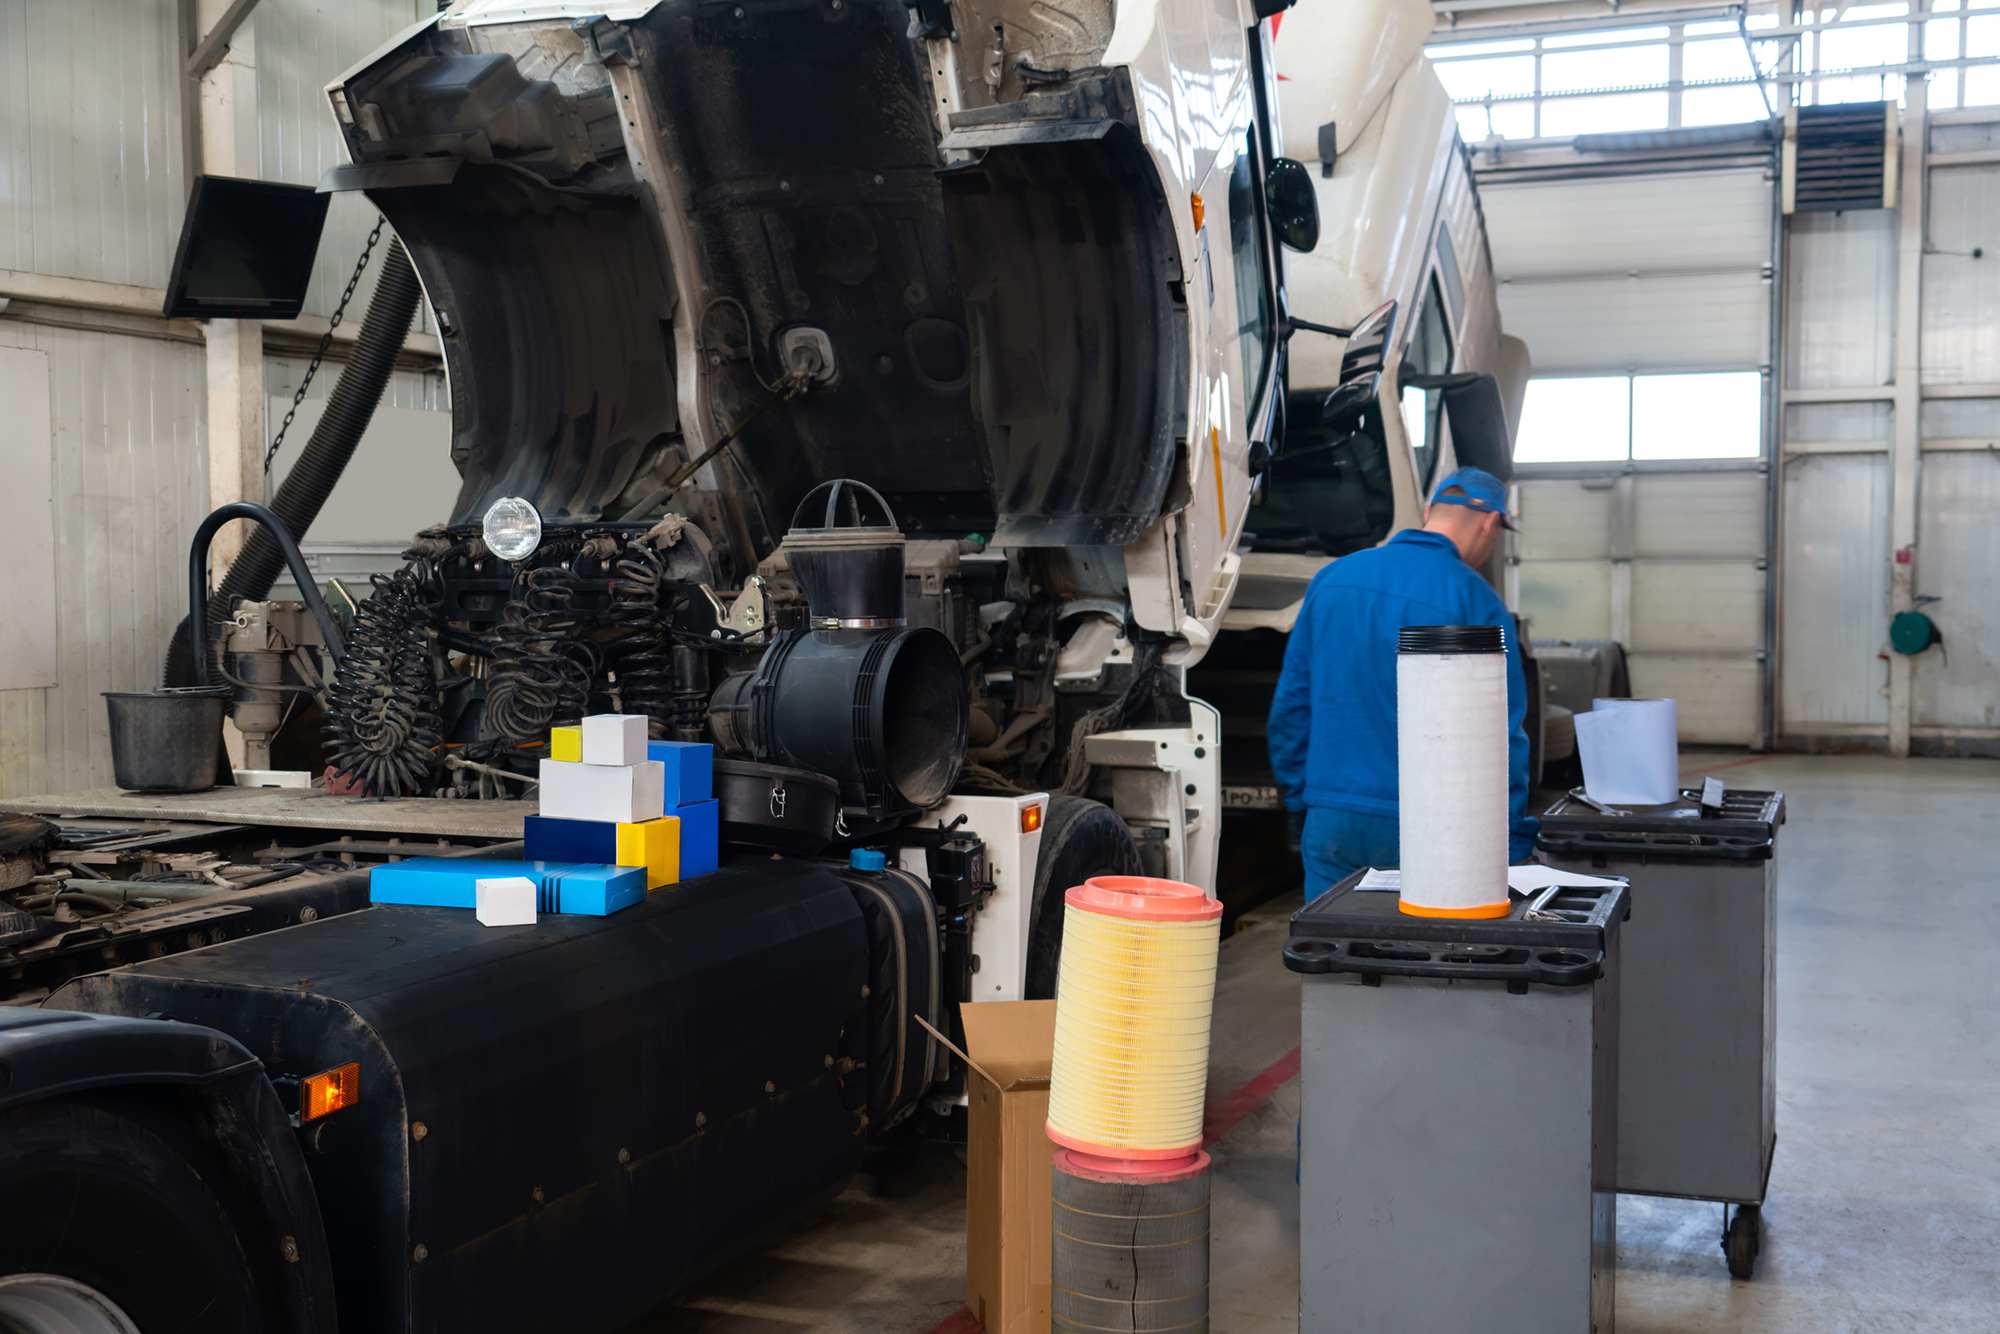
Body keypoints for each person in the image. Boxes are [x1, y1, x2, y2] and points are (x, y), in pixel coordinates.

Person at [1267, 466, 1537, 891]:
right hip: (1433, 825)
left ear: (1429, 510)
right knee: (1423, 949)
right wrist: (1512, 836)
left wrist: (1299, 801)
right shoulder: (1476, 601)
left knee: (1332, 947)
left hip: (1333, 815)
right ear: (1490, 524)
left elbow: (1291, 706)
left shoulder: (1332, 579)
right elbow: (1501, 735)